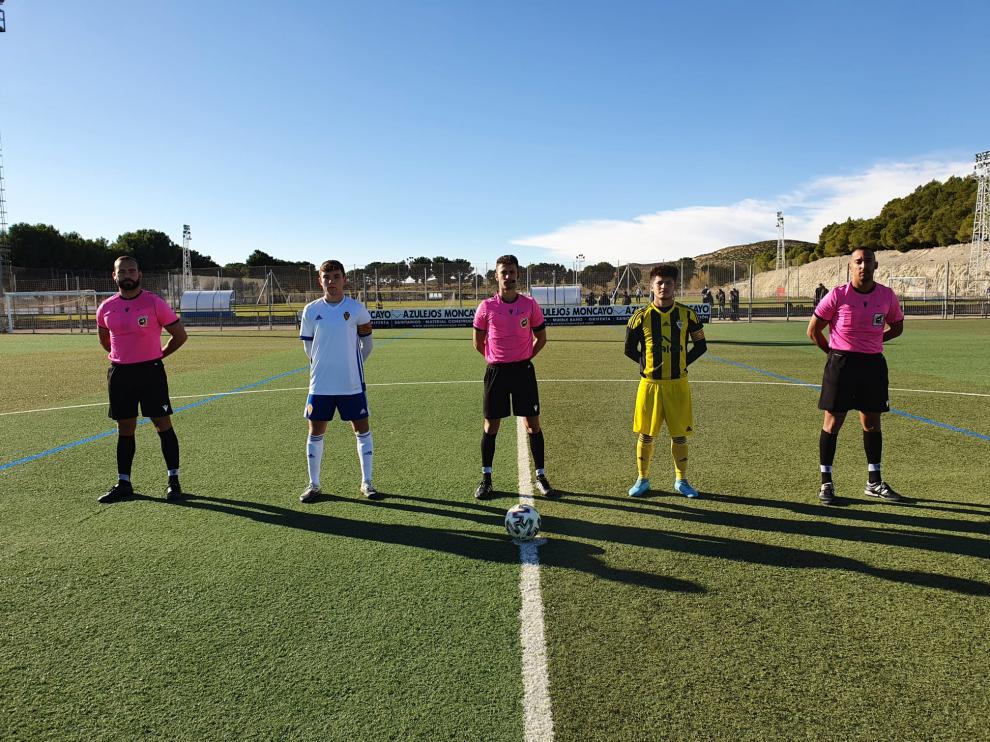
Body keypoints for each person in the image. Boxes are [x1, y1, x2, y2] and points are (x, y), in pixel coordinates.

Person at [807, 247, 904, 505]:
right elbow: (813, 330)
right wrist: (831, 352)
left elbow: (898, 326)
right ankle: (826, 483)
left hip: (872, 365)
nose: (863, 266)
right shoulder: (837, 295)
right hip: (841, 364)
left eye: (868, 261)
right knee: (832, 423)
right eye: (858, 262)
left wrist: (875, 340)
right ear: (851, 266)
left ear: (875, 265)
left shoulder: (886, 295)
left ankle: (874, 482)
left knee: (871, 423)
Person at [96, 256, 188, 503]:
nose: (127, 275)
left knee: (163, 425)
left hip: (150, 372)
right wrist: (121, 356)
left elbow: (179, 335)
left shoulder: (154, 303)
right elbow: (105, 340)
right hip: (120, 374)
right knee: (125, 428)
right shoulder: (105, 307)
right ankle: (124, 483)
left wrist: (158, 355)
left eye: (132, 270)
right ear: (114, 276)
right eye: (122, 271)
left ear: (139, 274)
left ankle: (173, 481)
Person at [473, 254, 554, 499]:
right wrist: (495, 357)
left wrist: (526, 354)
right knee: (491, 426)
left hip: (523, 372)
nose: (508, 277)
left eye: (512, 272)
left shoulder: (529, 305)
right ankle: (486, 479)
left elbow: (541, 337)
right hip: (497, 372)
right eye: (503, 273)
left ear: (518, 274)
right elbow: (477, 343)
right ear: (496, 276)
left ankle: (540, 475)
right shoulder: (486, 307)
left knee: (533, 425)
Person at [624, 264, 707, 499]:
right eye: (659, 283)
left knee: (679, 435)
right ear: (651, 286)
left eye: (668, 283)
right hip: (649, 385)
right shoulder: (640, 317)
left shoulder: (687, 314)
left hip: (677, 384)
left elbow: (701, 346)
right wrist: (646, 365)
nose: (663, 287)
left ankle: (681, 480)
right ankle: (642, 479)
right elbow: (629, 349)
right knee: (645, 435)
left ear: (674, 286)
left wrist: (682, 363)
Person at [298, 259, 377, 503]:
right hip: (320, 384)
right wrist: (324, 365)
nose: (331, 281)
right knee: (315, 432)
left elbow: (367, 344)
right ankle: (314, 485)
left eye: (336, 276)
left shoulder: (357, 309)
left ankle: (367, 483)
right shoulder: (311, 310)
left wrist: (352, 365)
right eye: (326, 277)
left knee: (361, 429)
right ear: (320, 281)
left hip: (351, 383)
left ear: (344, 279)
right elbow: (308, 346)